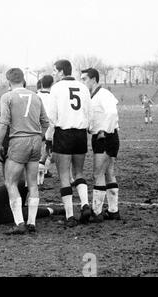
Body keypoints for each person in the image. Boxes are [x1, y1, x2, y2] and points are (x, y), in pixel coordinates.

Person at [0, 68, 50, 235]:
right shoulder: (36, 96)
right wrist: (38, 138)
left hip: (18, 141)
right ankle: (32, 223)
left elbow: (4, 122)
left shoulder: (7, 97)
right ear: (23, 80)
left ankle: (19, 222)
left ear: (8, 81)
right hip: (35, 141)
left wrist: (0, 144)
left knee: (10, 182)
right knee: (32, 183)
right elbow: (46, 122)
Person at [49, 59, 93, 227]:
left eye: (55, 70)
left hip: (64, 133)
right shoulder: (83, 87)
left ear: (61, 72)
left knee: (64, 176)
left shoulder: (56, 88)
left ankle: (69, 216)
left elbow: (52, 116)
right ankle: (84, 204)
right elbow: (89, 112)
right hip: (81, 134)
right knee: (79, 172)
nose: (53, 73)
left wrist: (50, 135)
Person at [81, 68, 121, 221]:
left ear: (94, 79)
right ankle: (113, 210)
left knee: (98, 174)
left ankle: (97, 212)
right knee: (109, 172)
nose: (83, 82)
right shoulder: (93, 95)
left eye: (84, 79)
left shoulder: (104, 94)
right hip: (107, 136)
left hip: (104, 137)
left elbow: (111, 113)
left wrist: (103, 130)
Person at [37, 75, 55, 181]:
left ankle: (40, 174)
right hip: (49, 127)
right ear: (52, 84)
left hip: (35, 127)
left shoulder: (35, 95)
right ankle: (43, 172)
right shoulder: (54, 97)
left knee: (37, 152)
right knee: (47, 151)